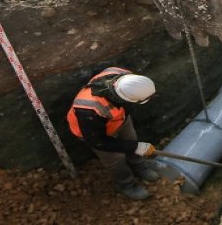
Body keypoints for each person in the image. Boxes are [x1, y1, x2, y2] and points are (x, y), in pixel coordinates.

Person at [67, 67, 160, 200]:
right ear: (127, 99)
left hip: (119, 118)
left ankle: (139, 167)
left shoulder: (123, 75)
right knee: (115, 159)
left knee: (131, 139)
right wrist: (134, 147)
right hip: (95, 133)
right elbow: (99, 142)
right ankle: (126, 184)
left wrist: (134, 146)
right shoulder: (89, 109)